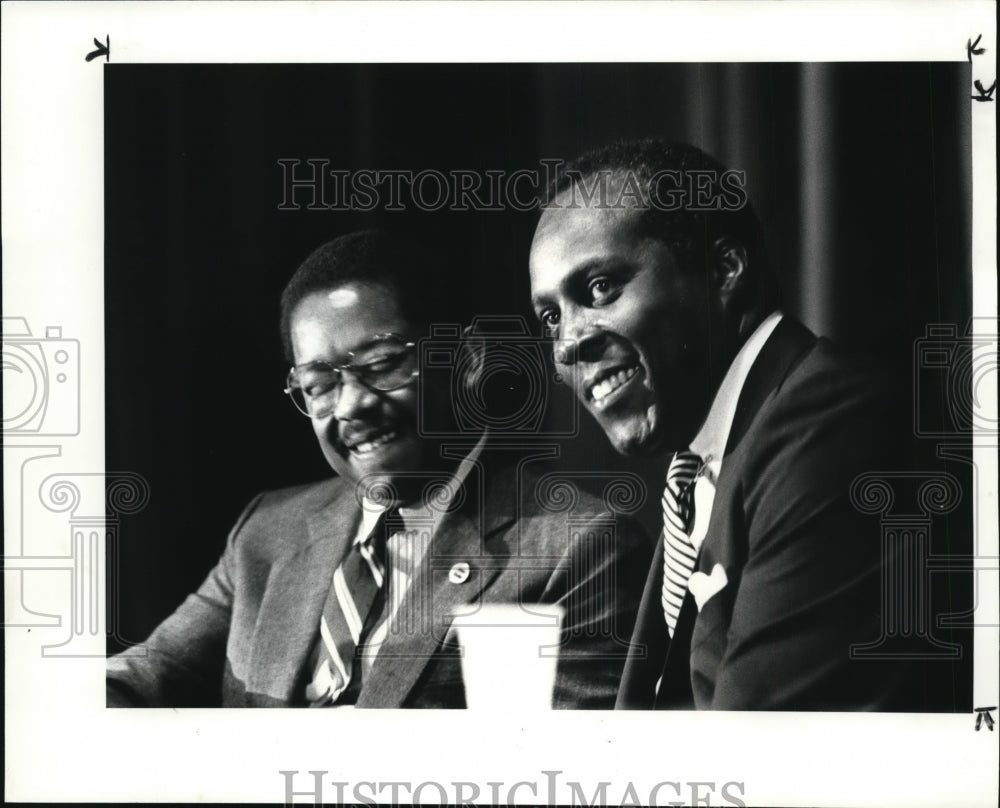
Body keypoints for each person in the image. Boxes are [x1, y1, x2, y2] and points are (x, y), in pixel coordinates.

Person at [107, 229, 650, 708]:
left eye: (382, 364)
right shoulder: (267, 532)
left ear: (466, 360)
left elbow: (560, 779)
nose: (350, 406)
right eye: (318, 386)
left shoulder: (577, 545)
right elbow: (147, 675)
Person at [528, 139, 914, 710]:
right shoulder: (707, 460)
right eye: (551, 317)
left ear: (722, 268)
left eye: (600, 288)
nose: (568, 345)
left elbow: (759, 753)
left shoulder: (831, 420)